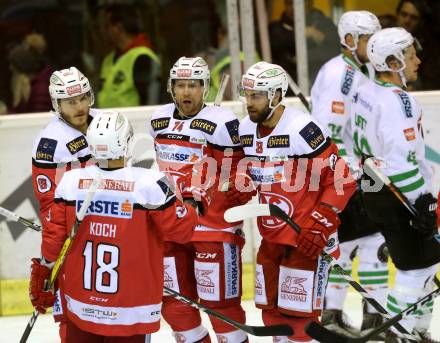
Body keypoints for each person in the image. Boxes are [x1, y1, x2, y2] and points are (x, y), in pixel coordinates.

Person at [28, 111, 207, 341]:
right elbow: (181, 231)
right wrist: (193, 202)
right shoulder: (150, 183)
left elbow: (53, 244)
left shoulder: (70, 183)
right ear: (126, 142)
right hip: (130, 312)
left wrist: (42, 274)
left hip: (82, 307)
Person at [238, 61, 356, 342]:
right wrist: (240, 184)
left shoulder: (302, 128)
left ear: (277, 96)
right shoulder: (245, 129)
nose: (249, 102)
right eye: (247, 94)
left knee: (300, 323)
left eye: (256, 96)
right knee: (270, 316)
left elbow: (342, 179)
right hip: (272, 237)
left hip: (306, 238)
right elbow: (254, 175)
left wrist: (321, 223)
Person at [147, 56, 253, 343]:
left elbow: (243, 172)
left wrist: (240, 186)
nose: (186, 92)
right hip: (171, 224)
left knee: (221, 307)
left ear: (205, 87)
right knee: (175, 304)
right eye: (180, 85)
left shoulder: (222, 123)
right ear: (171, 88)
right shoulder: (158, 119)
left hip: (213, 228)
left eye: (193, 85)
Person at [350, 27, 440, 343]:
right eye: (410, 55)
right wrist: (423, 204)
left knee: (426, 263)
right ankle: (399, 334)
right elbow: (402, 163)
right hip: (397, 192)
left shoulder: (363, 90)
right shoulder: (399, 102)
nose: (417, 60)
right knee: (415, 270)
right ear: (392, 62)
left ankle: (415, 330)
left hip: (374, 185)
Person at [310, 11, 388, 338]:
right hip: (346, 176)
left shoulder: (363, 70)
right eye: (370, 37)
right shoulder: (337, 75)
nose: (375, 44)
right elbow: (327, 135)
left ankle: (373, 317)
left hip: (364, 173)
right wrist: (351, 176)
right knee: (347, 245)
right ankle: (332, 315)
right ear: (351, 39)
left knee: (375, 244)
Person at [31, 66, 99, 342]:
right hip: (75, 243)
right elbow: (52, 211)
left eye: (83, 97)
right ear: (57, 104)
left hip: (113, 232)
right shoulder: (50, 144)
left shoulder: (107, 124)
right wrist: (48, 263)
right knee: (72, 323)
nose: (79, 106)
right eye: (71, 101)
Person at [97, 4, 160, 108]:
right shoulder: (109, 59)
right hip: (107, 122)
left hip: (134, 122)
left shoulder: (142, 57)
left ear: (119, 28)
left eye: (107, 26)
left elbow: (151, 105)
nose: (103, 31)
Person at [269, 0, 339, 87]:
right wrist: (300, 34)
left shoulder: (325, 25)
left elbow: (335, 52)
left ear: (309, 3)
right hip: (287, 87)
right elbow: (275, 47)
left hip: (321, 84)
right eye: (289, 3)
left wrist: (304, 56)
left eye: (298, 3)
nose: (293, 7)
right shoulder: (275, 28)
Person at [7, 33, 53, 114]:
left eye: (13, 65)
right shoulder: (34, 82)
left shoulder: (41, 89)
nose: (10, 68)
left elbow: (36, 118)